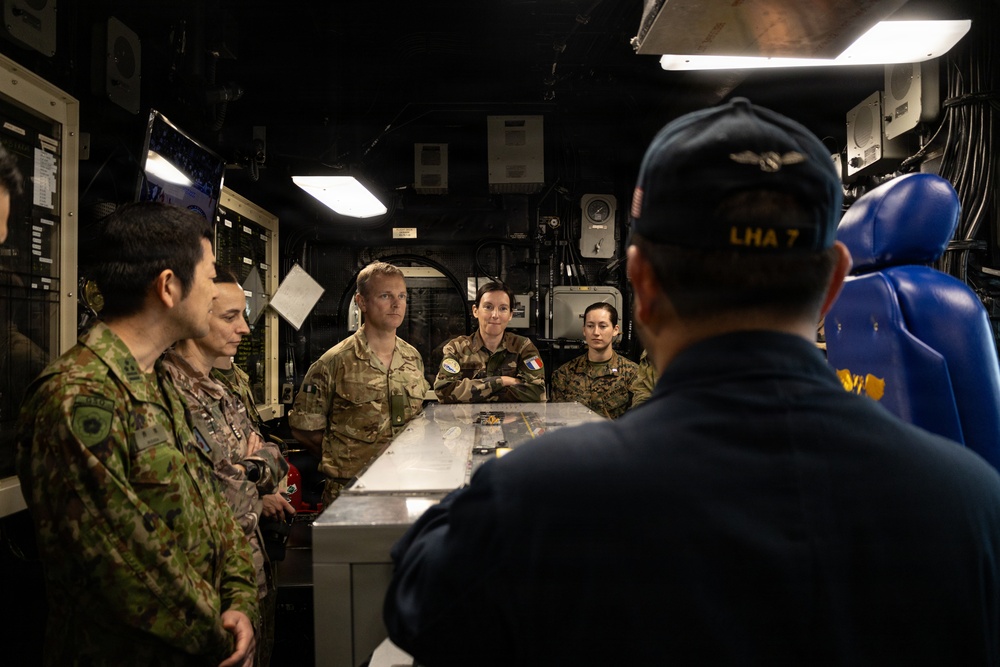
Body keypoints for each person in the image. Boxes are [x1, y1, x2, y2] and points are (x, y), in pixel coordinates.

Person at [383, 98, 1000, 665]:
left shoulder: (539, 501)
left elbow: (418, 604)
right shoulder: (972, 503)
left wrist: (496, 492)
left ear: (640, 284)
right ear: (833, 285)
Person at [16, 202, 259, 666]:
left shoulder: (157, 383)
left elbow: (216, 510)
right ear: (168, 287)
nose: (215, 296)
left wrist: (240, 602)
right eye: (209, 279)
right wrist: (222, 638)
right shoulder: (79, 397)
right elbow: (123, 567)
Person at [162, 264, 295, 667]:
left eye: (244, 315)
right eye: (230, 317)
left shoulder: (222, 389)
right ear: (196, 312)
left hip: (250, 571)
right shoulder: (166, 390)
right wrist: (250, 471)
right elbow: (214, 490)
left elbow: (272, 458)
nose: (245, 329)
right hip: (208, 588)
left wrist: (249, 469)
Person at [289, 261, 429, 504]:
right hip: (350, 491)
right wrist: (344, 458)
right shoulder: (334, 362)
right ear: (361, 302)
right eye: (385, 296)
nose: (396, 304)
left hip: (404, 486)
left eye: (402, 296)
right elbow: (304, 428)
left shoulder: (412, 358)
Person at [433, 281, 546, 402]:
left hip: (513, 420)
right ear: (475, 311)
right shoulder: (457, 348)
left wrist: (475, 392)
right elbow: (443, 390)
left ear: (510, 315)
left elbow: (537, 392)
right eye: (488, 307)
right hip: (467, 420)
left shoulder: (523, 347)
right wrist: (502, 381)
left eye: (503, 308)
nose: (495, 315)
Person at [549, 302, 638, 418]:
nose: (596, 332)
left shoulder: (632, 374)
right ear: (584, 330)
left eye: (603, 326)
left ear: (615, 330)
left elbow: (639, 423)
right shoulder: (564, 374)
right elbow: (556, 421)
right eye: (590, 326)